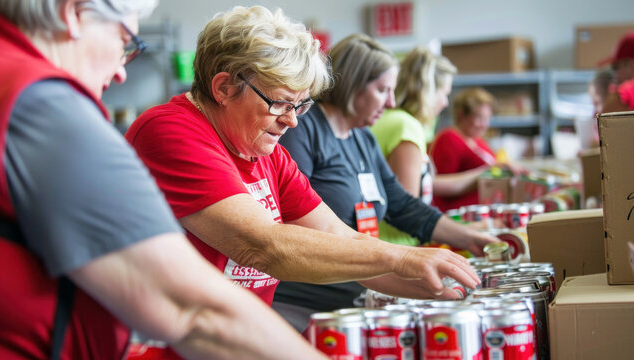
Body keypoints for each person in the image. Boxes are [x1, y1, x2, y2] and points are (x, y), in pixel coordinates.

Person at [0, 1, 330, 359]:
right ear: (74, 13)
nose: (122, 71)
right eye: (124, 40)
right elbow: (189, 308)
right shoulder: (44, 107)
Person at [126, 6, 481, 333]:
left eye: (301, 105)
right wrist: (401, 256)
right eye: (280, 102)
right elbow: (264, 247)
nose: (292, 121)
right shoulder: (170, 132)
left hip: (235, 337)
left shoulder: (264, 150)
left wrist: (441, 289)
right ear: (223, 87)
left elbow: (337, 236)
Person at [272, 34, 498, 331]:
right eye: (382, 90)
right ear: (353, 84)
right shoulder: (303, 131)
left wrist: (469, 238)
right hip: (308, 304)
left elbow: (402, 204)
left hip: (358, 293)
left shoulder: (362, 138)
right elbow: (301, 225)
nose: (391, 101)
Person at [370, 46, 493, 245]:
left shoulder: (393, 120)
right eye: (444, 94)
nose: (445, 103)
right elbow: (409, 212)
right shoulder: (406, 127)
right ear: (428, 92)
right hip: (399, 247)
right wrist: (465, 234)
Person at [430, 87, 498, 212]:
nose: (484, 125)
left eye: (487, 119)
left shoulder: (479, 142)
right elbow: (438, 187)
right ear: (462, 115)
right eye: (479, 118)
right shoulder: (450, 139)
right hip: (459, 215)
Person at [601, 31, 634, 112]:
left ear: (630, 64)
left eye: (615, 67)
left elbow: (604, 123)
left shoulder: (624, 93)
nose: (613, 74)